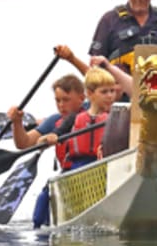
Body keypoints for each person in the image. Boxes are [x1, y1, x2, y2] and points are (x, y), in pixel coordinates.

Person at [29, 67, 118, 228]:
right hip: (78, 168)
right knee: (46, 192)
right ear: (90, 94)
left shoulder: (117, 117)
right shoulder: (75, 118)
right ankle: (39, 228)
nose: (110, 96)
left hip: (105, 168)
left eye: (112, 91)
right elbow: (58, 132)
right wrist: (50, 137)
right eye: (104, 92)